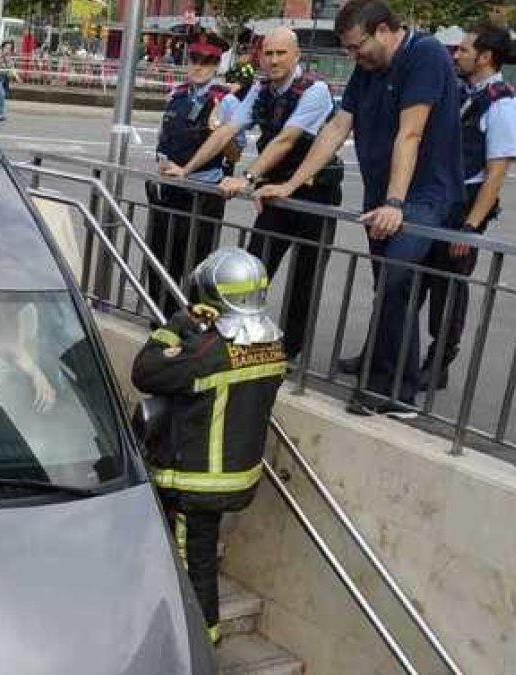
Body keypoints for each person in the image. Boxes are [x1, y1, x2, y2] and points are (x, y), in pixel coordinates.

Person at [254, 0, 462, 418]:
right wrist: (292, 183)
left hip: (422, 196)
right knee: (388, 284)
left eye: (357, 46)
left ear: (384, 29)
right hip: (383, 195)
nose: (354, 56)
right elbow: (336, 128)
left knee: (397, 279)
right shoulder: (367, 69)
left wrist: (396, 202)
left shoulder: (425, 55)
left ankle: (393, 390)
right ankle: (390, 380)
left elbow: (411, 133)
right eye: (348, 49)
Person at [131, 247, 286, 645]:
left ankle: (199, 643)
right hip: (238, 477)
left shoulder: (207, 355)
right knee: (198, 559)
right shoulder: (274, 347)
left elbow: (146, 370)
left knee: (189, 568)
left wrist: (180, 322)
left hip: (196, 483)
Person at [174, 28, 344, 363]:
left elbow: (286, 139)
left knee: (305, 280)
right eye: (269, 53)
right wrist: (187, 169)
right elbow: (228, 129)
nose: (275, 60)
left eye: (282, 53)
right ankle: (240, 339)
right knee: (253, 271)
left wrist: (246, 177)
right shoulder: (261, 88)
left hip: (314, 193)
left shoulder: (315, 90)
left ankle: (289, 353)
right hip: (273, 191)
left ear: (296, 55)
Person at [417, 24, 516, 389]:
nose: (456, 55)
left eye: (463, 49)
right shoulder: (461, 91)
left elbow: (495, 173)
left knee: (447, 289)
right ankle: (384, 351)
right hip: (433, 200)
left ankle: (438, 362)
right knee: (409, 280)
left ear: (486, 56)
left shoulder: (503, 103)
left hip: (462, 208)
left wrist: (471, 227)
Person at [149, 32, 238, 317]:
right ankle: (160, 319)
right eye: (195, 58)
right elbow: (165, 137)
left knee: (196, 267)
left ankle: (191, 326)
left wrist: (219, 132)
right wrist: (162, 161)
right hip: (170, 191)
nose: (199, 66)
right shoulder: (176, 94)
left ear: (217, 64)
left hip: (201, 196)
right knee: (161, 261)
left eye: (208, 60)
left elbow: (235, 155)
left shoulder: (225, 101)